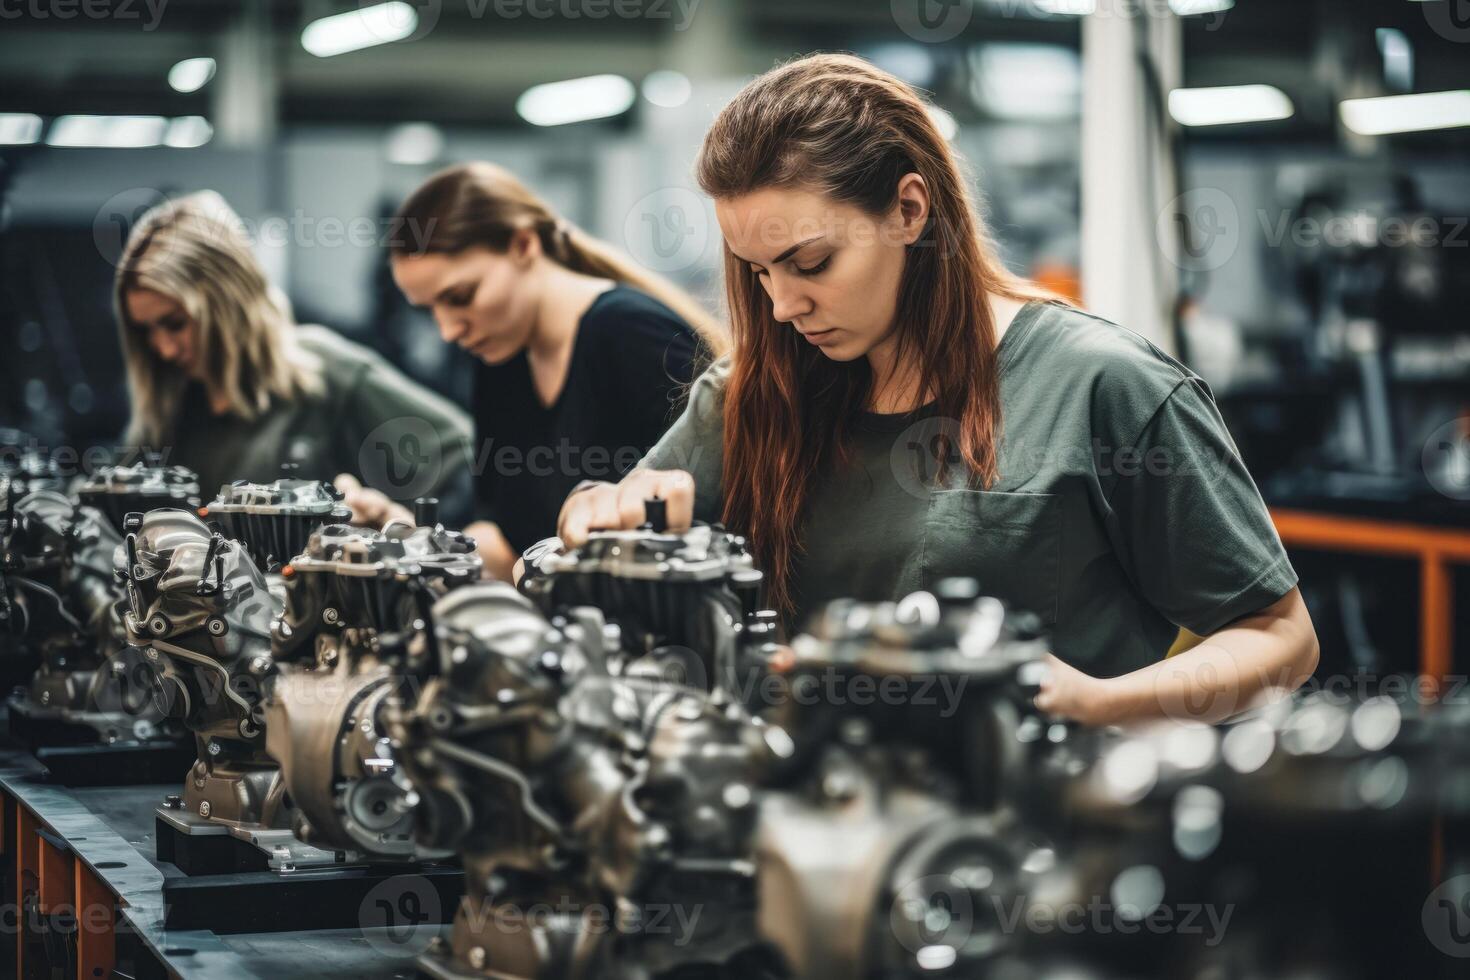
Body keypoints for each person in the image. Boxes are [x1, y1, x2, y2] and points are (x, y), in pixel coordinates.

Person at [553, 54, 1319, 727]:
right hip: (806, 844)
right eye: (759, 272)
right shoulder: (753, 393)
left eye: (811, 264)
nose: (782, 307)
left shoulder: (1100, 386)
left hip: (1033, 857)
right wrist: (601, 513)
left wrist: (1094, 702)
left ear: (910, 210)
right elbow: (613, 533)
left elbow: (1281, 639)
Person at [340, 162, 727, 580]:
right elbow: (509, 547)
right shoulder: (501, 359)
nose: (449, 330)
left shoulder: (630, 334)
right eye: (431, 309)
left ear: (523, 244)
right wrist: (410, 541)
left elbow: (713, 517)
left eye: (461, 296)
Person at [116, 191, 474, 517]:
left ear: (226, 303)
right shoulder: (168, 412)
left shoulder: (325, 373)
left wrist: (403, 531)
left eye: (176, 323)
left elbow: (464, 459)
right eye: (146, 331)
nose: (163, 348)